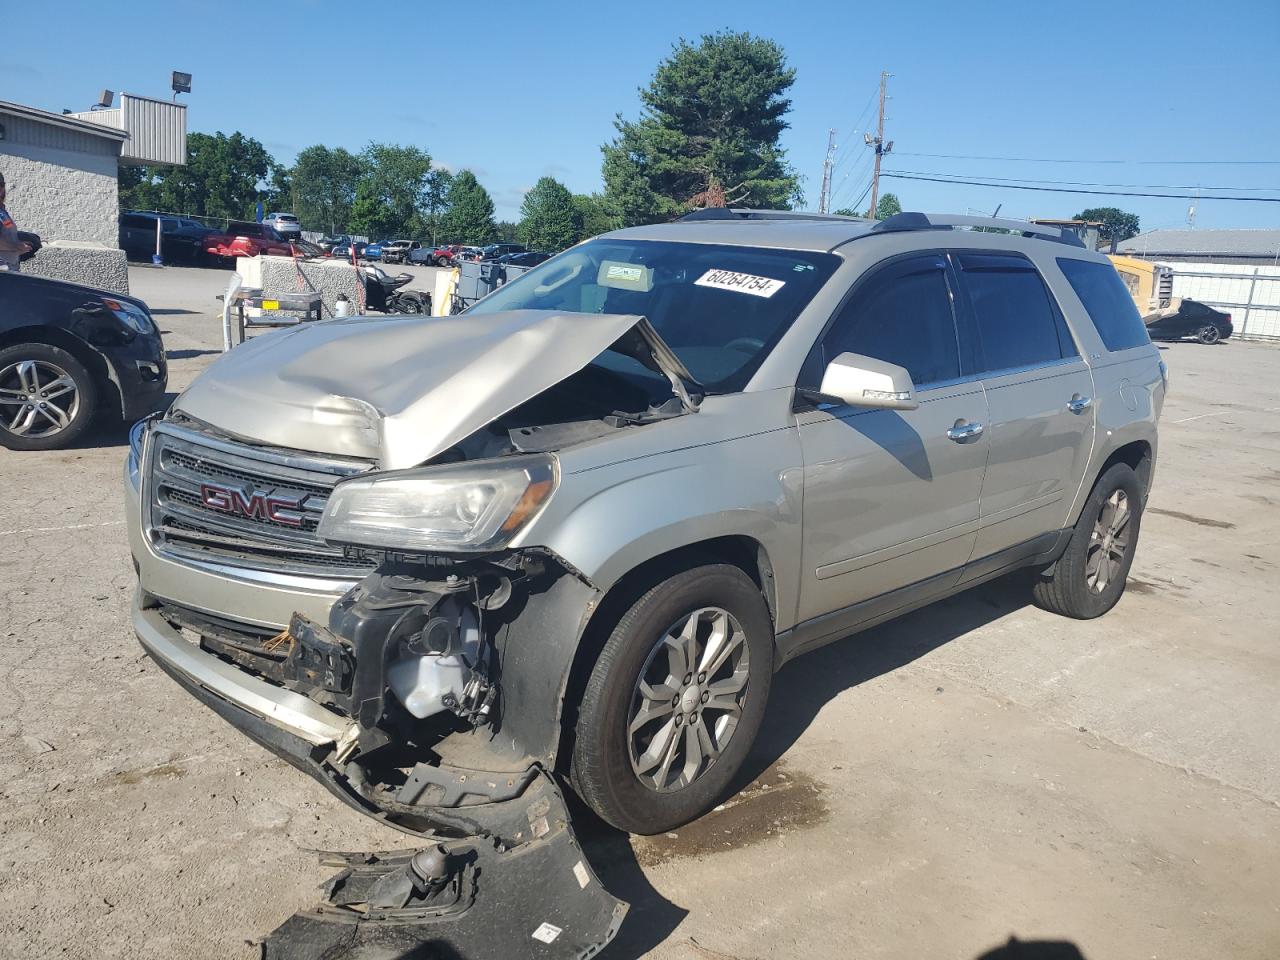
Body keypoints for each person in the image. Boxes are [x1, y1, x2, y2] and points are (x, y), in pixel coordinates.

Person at [0, 172, 34, 272]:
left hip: (10, 266)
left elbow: (6, 233)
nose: (0, 188)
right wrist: (16, 246)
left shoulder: (2, 212)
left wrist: (18, 243)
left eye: (1, 185)